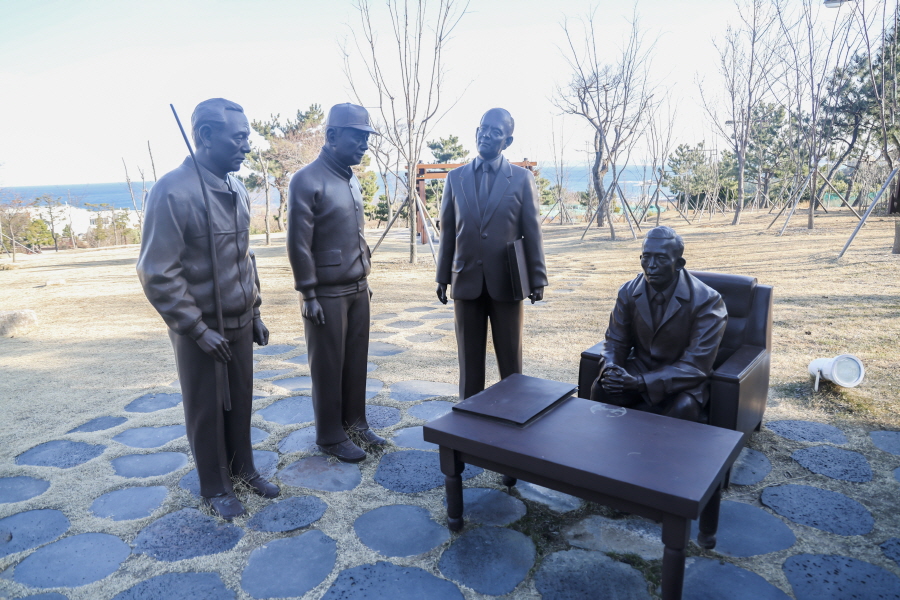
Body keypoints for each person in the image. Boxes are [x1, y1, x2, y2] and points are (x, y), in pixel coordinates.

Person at [137, 98, 279, 520]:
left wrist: (255, 311)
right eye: (239, 138)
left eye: (247, 137)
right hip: (200, 328)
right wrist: (197, 328)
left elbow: (244, 258)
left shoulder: (237, 188)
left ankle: (243, 469)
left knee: (241, 401)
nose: (247, 147)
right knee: (206, 409)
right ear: (205, 136)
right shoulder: (171, 191)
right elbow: (158, 272)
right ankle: (214, 485)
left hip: (239, 320)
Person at [287, 103, 384, 463]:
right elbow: (298, 243)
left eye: (366, 137)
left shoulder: (350, 178)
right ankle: (329, 435)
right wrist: (307, 292)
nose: (364, 145)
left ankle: (355, 422)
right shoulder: (306, 180)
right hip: (325, 292)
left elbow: (355, 233)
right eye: (357, 137)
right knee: (328, 366)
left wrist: (362, 274)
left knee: (356, 361)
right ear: (331, 136)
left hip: (357, 286)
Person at [436, 108, 548, 399]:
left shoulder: (522, 179)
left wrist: (537, 279)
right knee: (468, 361)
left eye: (495, 132)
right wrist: (442, 277)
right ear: (476, 131)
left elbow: (532, 231)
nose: (486, 135)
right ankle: (468, 417)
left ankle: (513, 413)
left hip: (508, 280)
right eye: (483, 129)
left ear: (507, 141)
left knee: (510, 361)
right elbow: (448, 231)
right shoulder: (455, 178)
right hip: (465, 279)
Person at [590, 226, 728, 421]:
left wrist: (640, 382)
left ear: (678, 263)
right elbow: (615, 341)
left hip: (683, 379)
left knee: (684, 406)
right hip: (640, 367)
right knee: (602, 387)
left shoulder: (708, 301)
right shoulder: (628, 291)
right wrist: (611, 370)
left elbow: (696, 365)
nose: (651, 266)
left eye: (661, 258)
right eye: (646, 257)